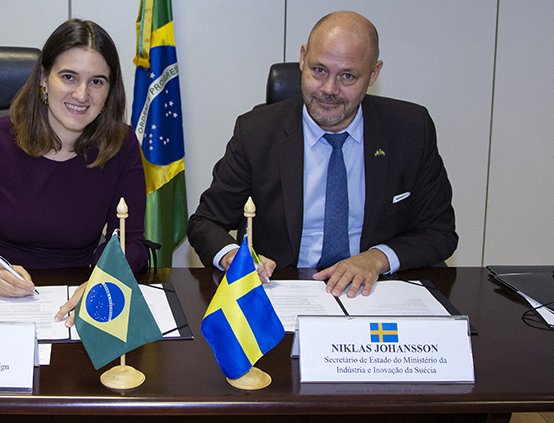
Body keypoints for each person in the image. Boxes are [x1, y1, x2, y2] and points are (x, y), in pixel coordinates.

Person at [187, 11, 457, 298]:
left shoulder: (411, 130)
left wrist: (377, 258)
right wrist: (234, 257)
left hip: (375, 293)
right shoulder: (256, 132)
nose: (329, 89)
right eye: (319, 70)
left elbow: (439, 233)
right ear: (303, 58)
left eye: (347, 76)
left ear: (373, 74)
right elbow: (206, 222)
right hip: (283, 290)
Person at [0, 19, 148, 305]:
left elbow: (130, 241)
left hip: (78, 288)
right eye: (69, 77)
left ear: (109, 90)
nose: (82, 94)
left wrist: (104, 279)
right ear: (44, 79)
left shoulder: (121, 144)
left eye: (96, 81)